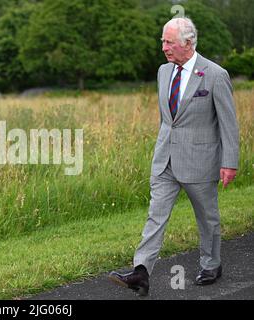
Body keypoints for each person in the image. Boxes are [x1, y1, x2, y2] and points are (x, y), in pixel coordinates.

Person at [108, 17, 239, 296]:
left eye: (169, 42)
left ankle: (211, 264)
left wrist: (230, 162)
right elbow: (166, 119)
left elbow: (228, 123)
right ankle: (141, 272)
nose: (164, 48)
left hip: (200, 160)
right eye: (163, 42)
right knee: (155, 216)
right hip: (165, 159)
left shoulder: (215, 75)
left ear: (188, 43)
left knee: (207, 217)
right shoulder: (163, 72)